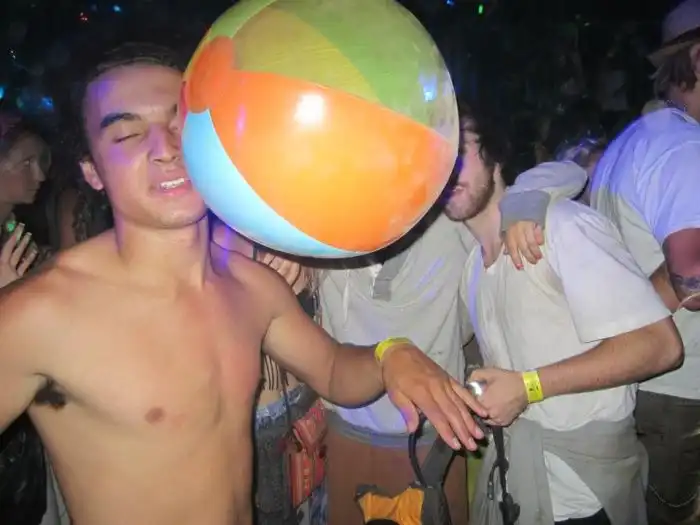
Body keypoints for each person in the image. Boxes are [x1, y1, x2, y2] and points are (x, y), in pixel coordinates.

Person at [0, 43, 486, 525]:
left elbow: (335, 370)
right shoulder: (40, 314)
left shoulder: (251, 285)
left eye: (180, 124)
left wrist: (391, 355)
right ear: (92, 171)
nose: (166, 149)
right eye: (127, 134)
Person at [446, 103, 682, 524]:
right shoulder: (473, 270)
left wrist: (529, 387)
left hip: (585, 496)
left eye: (459, 150)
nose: (447, 169)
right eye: (437, 157)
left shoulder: (561, 227)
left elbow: (659, 345)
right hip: (520, 489)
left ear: (495, 154)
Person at [212, 223, 326, 525]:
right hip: (258, 423)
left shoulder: (301, 230)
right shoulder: (212, 239)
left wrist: (307, 261)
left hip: (312, 408)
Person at [0, 112, 53, 525]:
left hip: (25, 427)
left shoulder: (14, 227)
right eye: (26, 162)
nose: (40, 175)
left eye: (42, 161)